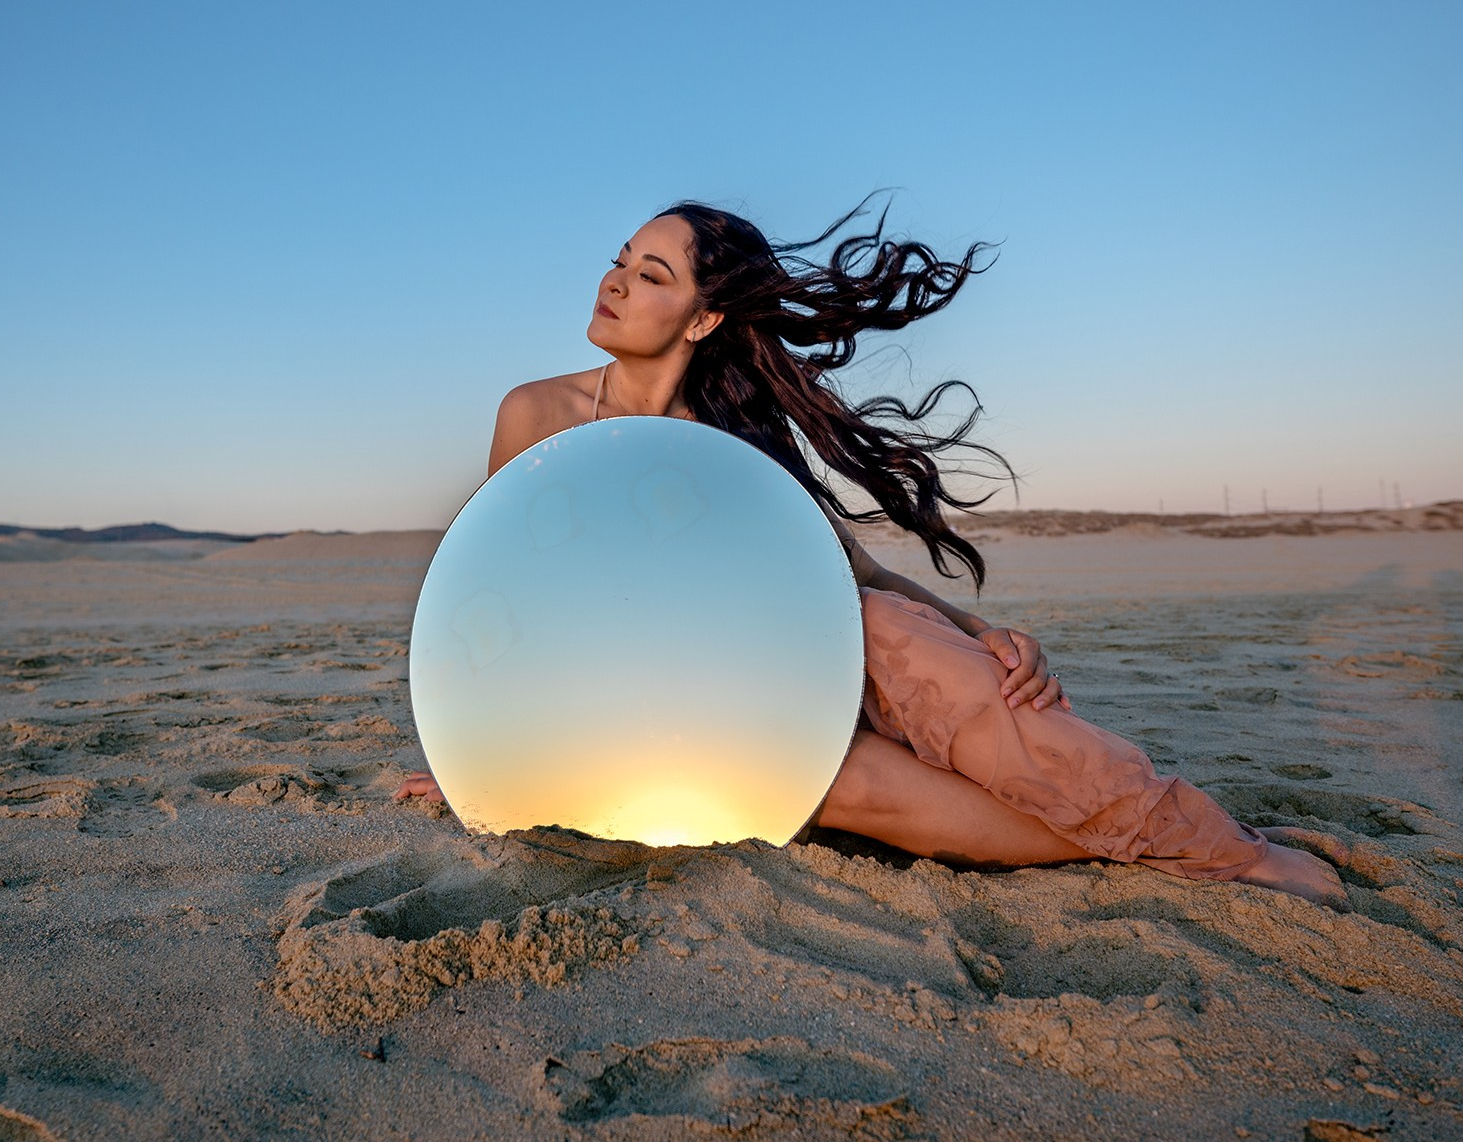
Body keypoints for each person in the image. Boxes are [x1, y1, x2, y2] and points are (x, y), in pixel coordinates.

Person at [396, 199, 1347, 907]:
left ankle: (1226, 847)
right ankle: (1144, 845)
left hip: (792, 644)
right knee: (846, 786)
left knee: (921, 650)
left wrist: (989, 633)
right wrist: (474, 749)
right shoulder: (537, 414)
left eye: (651, 273)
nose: (614, 281)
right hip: (667, 703)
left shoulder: (736, 434)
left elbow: (846, 568)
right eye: (620, 261)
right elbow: (505, 594)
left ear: (703, 319)